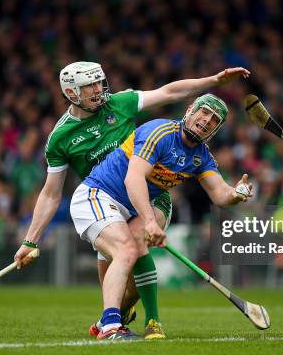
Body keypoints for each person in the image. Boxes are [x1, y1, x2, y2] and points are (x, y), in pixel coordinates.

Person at [13, 62, 250, 339]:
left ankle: (116, 322)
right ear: (71, 92)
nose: (98, 90)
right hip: (103, 195)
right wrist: (31, 240)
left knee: (130, 279)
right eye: (89, 86)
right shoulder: (60, 138)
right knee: (123, 261)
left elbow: (169, 92)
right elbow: (51, 193)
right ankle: (113, 323)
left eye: (99, 82)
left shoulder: (120, 103)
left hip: (143, 197)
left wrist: (214, 80)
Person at [67, 93, 254, 340]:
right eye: (204, 112)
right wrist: (149, 221)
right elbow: (133, 178)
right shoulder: (160, 132)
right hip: (100, 194)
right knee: (126, 251)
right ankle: (111, 326)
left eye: (214, 120)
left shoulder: (201, 156)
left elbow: (220, 193)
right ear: (189, 110)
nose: (207, 120)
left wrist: (236, 193)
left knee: (133, 254)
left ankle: (129, 320)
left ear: (216, 130)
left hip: (138, 204)